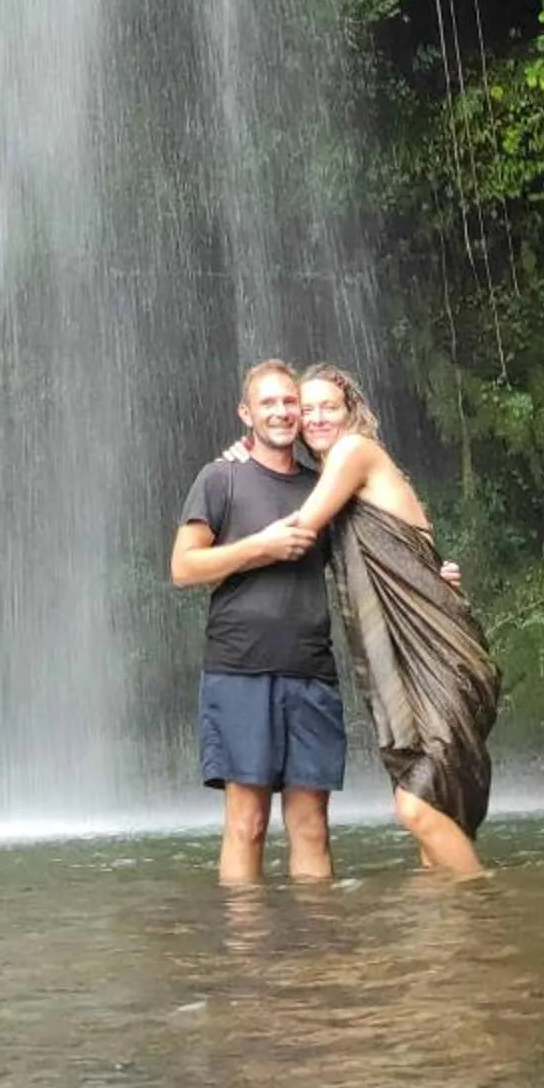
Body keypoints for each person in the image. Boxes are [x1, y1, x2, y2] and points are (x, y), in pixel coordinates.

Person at [258, 366, 499, 879]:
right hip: (408, 652)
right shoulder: (346, 473)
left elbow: (302, 529)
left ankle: (489, 910)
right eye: (309, 409)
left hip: (436, 650)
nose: (317, 417)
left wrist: (243, 468)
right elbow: (417, 550)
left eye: (330, 407)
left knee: (418, 808)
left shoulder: (354, 452)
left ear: (352, 413)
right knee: (437, 809)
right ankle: (453, 946)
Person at [170, 358, 345, 885]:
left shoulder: (324, 487)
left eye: (290, 400)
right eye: (268, 402)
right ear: (245, 412)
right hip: (240, 670)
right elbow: (183, 567)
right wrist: (261, 547)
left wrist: (436, 571)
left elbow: (367, 562)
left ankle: (314, 948)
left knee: (312, 827)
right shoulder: (220, 478)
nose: (282, 411)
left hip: (311, 672)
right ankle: (245, 958)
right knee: (247, 824)